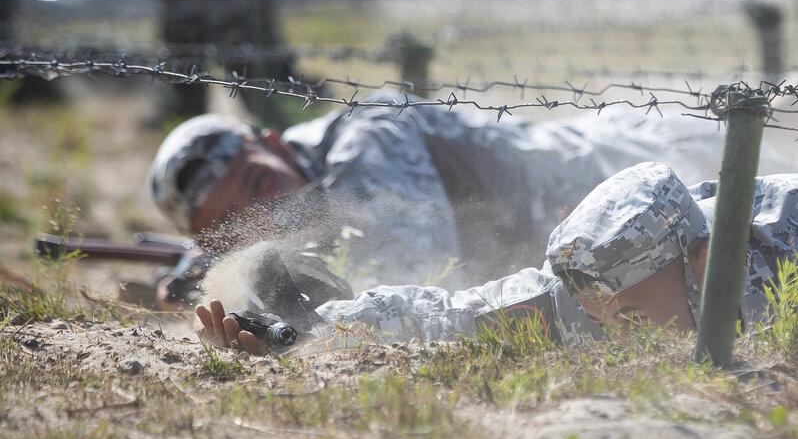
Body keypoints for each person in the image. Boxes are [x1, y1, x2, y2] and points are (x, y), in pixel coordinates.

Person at [150, 91, 795, 292]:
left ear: (277, 142)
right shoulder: (317, 192)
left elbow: (405, 277)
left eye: (259, 180)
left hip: (672, 158)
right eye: (236, 224)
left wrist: (250, 285)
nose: (263, 213)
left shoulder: (367, 140)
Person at [196, 162, 798, 354]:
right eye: (602, 317)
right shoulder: (607, 289)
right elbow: (453, 317)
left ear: (703, 264)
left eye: (633, 319)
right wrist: (306, 335)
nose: (618, 339)